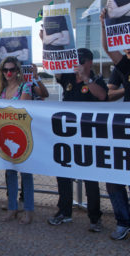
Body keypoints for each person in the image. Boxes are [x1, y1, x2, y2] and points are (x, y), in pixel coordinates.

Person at [45, 47, 107, 232]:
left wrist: (86, 79)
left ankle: (95, 218)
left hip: (88, 136)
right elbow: (55, 68)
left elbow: (103, 96)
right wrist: (47, 44)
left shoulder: (96, 79)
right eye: (75, 60)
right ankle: (64, 212)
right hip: (68, 135)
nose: (77, 63)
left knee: (90, 178)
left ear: (89, 62)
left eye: (81, 60)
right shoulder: (68, 78)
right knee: (63, 174)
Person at [100, 8, 130, 244]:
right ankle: (124, 221)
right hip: (128, 132)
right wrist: (105, 25)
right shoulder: (128, 67)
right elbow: (109, 49)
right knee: (113, 177)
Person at [0, 56, 35, 224]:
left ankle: (28, 211)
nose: (8, 73)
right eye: (5, 70)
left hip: (23, 134)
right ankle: (12, 208)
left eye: (12, 69)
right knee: (10, 173)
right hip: (6, 134)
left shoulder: (25, 87)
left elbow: (23, 108)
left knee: (26, 174)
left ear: (18, 70)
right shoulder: (2, 90)